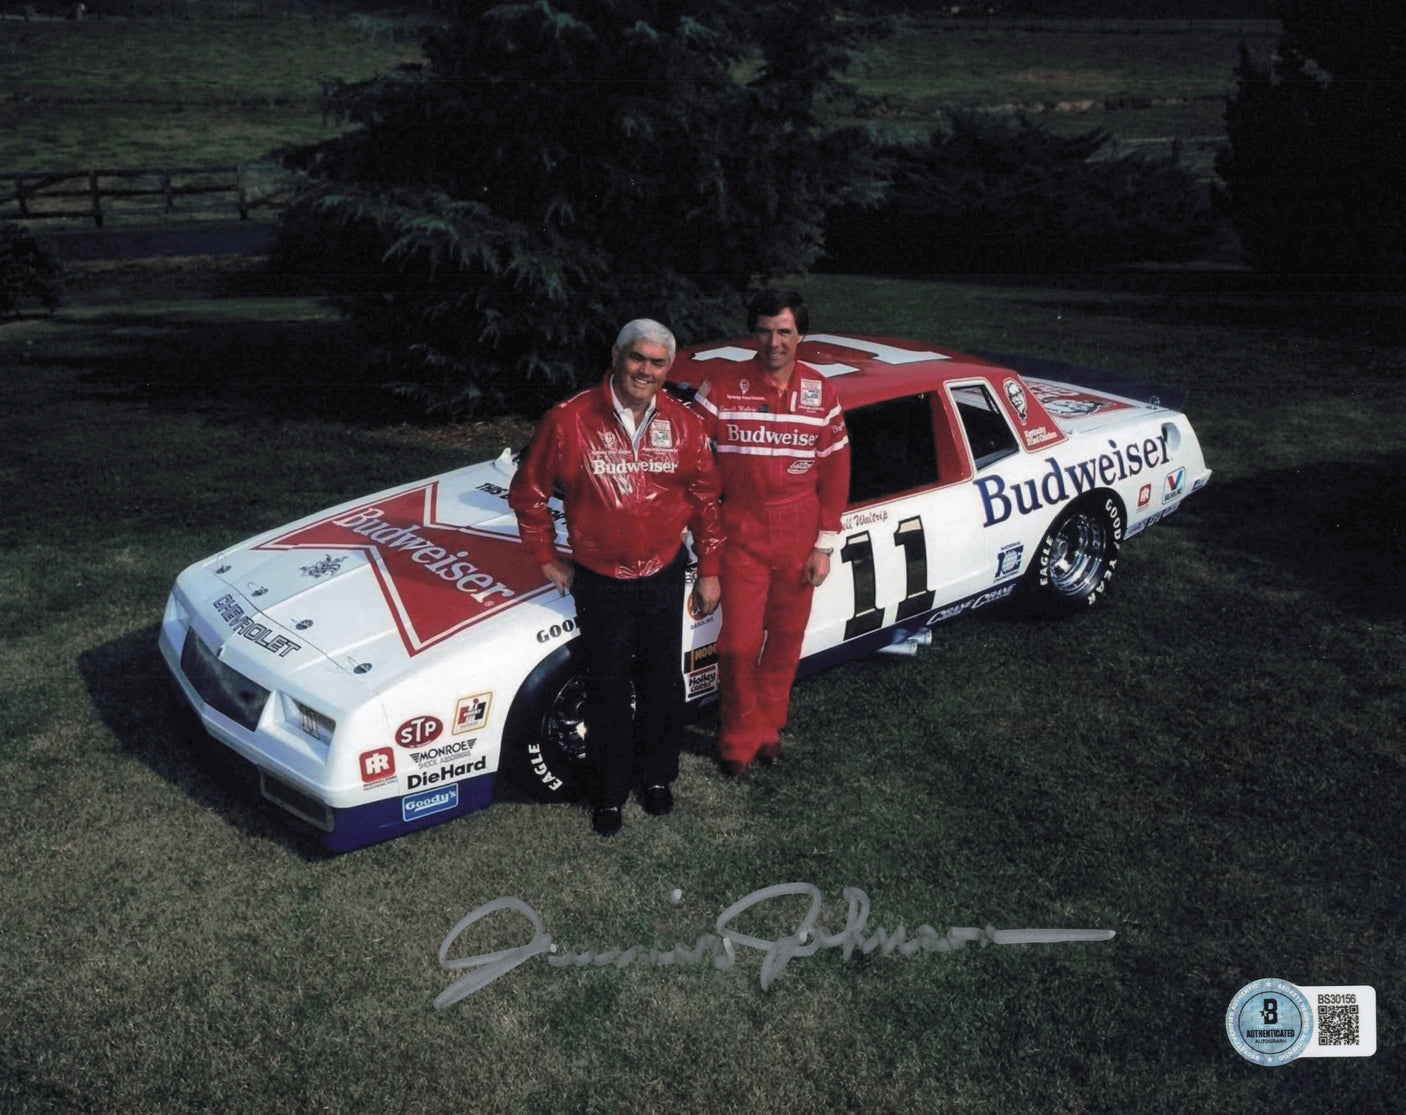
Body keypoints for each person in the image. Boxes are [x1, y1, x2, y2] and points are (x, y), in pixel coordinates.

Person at [509, 319, 723, 836]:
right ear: (616, 356)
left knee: (662, 685)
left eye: (657, 363)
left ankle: (656, 779)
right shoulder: (568, 419)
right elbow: (529, 494)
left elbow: (705, 502)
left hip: (663, 575)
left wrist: (710, 571)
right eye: (637, 358)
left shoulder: (685, 424)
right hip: (600, 579)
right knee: (607, 687)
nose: (645, 371)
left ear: (668, 368)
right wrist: (545, 557)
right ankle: (607, 793)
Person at [692, 290, 850, 778]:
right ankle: (736, 737)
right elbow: (696, 470)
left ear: (801, 335)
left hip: (798, 530)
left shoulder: (822, 392)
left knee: (785, 640)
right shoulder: (720, 387)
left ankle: (768, 730)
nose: (774, 341)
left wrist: (824, 546)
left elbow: (836, 473)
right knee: (738, 644)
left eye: (784, 331)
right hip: (740, 530)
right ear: (752, 333)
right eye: (764, 330)